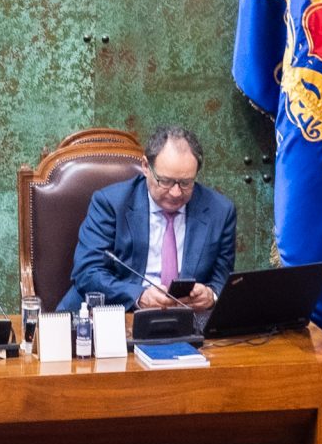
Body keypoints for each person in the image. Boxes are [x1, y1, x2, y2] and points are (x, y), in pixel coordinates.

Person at [61, 125, 237, 313]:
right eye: (166, 181)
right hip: (118, 315)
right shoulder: (110, 203)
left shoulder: (220, 211)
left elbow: (222, 278)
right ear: (146, 166)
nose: (176, 192)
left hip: (186, 318)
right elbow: (88, 272)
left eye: (186, 183)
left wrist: (211, 295)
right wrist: (139, 296)